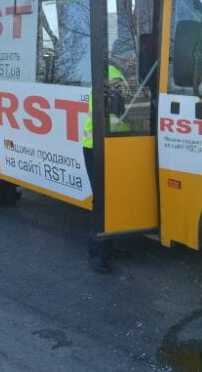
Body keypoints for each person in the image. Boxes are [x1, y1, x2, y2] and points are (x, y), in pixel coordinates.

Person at [83, 63, 131, 273]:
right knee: (101, 201)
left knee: (112, 199)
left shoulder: (119, 74)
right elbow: (113, 108)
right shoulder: (108, 74)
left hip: (113, 144)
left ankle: (109, 247)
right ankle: (96, 252)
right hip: (97, 146)